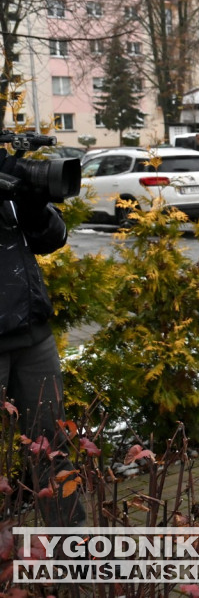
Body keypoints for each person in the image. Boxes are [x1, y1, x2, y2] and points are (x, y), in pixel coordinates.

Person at [0, 148, 84, 525]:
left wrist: (32, 205)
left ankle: (74, 550)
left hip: (32, 336)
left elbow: (54, 238)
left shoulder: (7, 172)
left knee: (52, 448)